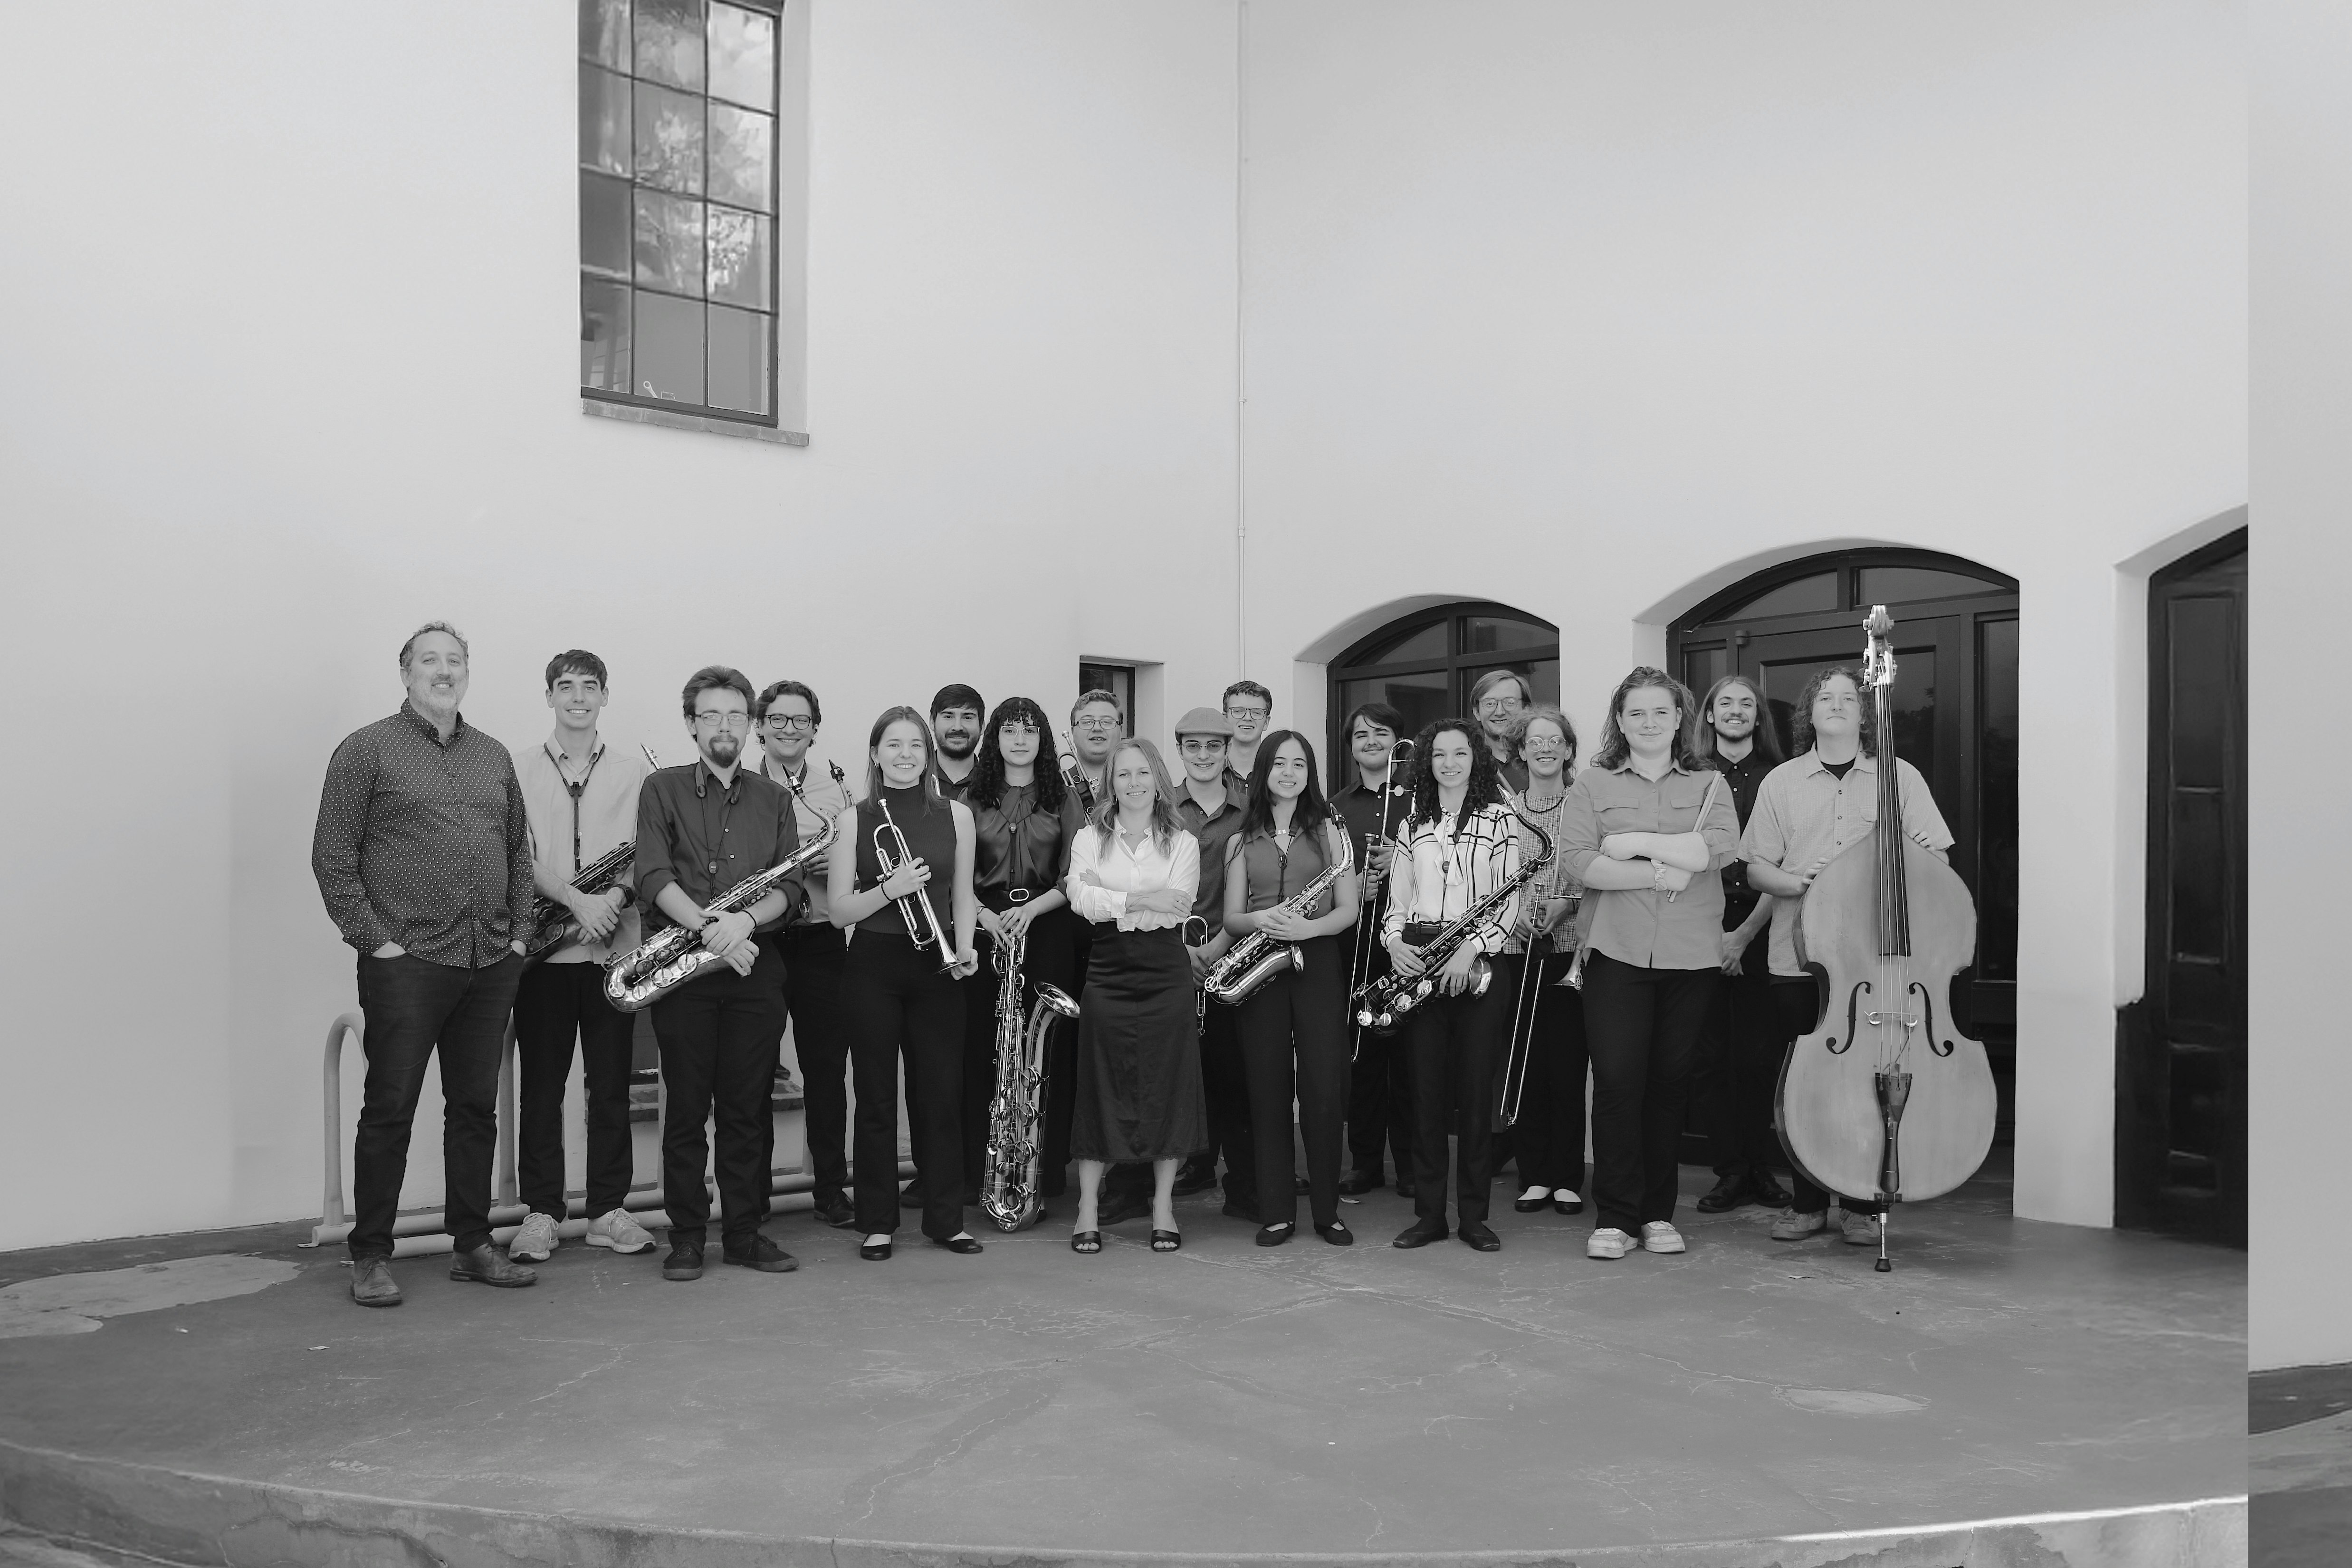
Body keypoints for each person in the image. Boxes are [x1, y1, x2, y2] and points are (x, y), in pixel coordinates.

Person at [312, 621, 537, 1307]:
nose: (444, 671)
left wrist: (522, 934)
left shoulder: (493, 756)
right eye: (430, 661)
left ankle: (472, 1245)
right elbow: (333, 857)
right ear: (405, 672)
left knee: (474, 1109)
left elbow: (518, 854)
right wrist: (376, 941)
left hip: (489, 958)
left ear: (467, 672)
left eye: (455, 661)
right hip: (406, 962)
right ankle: (371, 1255)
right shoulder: (366, 750)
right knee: (390, 1108)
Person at [1743, 666, 1953, 1249]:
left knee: (1869, 1081)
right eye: (1824, 698)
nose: (1836, 705)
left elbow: (1938, 861)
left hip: (1882, 967)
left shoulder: (1899, 778)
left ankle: (1863, 1204)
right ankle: (1807, 1203)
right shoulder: (1781, 783)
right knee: (1804, 1085)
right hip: (1800, 958)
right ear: (1807, 715)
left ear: (1866, 715)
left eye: (1848, 698)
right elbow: (1755, 865)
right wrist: (1791, 882)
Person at [1555, 668, 1741, 1262]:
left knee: (1667, 1086)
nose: (1650, 723)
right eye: (1637, 713)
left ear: (1679, 719)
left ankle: (1657, 1213)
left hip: (1691, 957)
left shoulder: (1711, 783)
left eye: (1661, 712)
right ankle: (1615, 1214)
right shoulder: (1592, 783)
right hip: (1616, 951)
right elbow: (1583, 862)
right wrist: (1667, 868)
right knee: (1616, 1083)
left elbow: (1717, 851)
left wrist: (1632, 842)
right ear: (1620, 721)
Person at [634, 666, 808, 1282]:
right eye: (712, 716)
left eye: (736, 716)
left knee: (746, 1110)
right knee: (685, 1109)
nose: (725, 726)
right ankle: (685, 1237)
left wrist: (746, 925)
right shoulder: (661, 789)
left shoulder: (775, 799)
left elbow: (790, 888)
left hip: (753, 968)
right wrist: (715, 932)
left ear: (751, 726)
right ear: (691, 725)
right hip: (683, 969)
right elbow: (652, 876)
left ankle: (743, 1233)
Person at [509, 650, 657, 1265]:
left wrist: (613, 900)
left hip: (612, 956)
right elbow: (515, 853)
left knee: (610, 1092)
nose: (577, 697)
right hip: (543, 959)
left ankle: (607, 1210)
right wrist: (574, 898)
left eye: (588, 686)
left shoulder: (634, 773)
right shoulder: (515, 769)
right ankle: (541, 1212)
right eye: (564, 686)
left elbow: (646, 848)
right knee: (541, 1091)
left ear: (604, 696)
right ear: (548, 696)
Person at [828, 707, 983, 1260]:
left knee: (941, 1094)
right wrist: (889, 890)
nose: (905, 755)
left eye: (915, 745)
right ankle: (877, 1221)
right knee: (874, 1097)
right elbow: (839, 911)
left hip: (936, 962)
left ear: (929, 752)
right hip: (873, 963)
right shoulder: (853, 820)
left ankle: (946, 1220)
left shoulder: (957, 816)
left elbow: (962, 895)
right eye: (893, 745)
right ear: (875, 754)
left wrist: (965, 948)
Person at [1382, 719, 1523, 1252]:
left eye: (1459, 753)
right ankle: (1429, 1216)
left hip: (1478, 961)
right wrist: (1395, 944)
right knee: (1426, 1095)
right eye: (1438, 755)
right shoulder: (1411, 824)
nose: (1448, 763)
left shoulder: (1502, 817)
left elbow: (1510, 898)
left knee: (1473, 1093)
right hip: (1420, 959)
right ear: (1427, 763)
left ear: (1475, 759)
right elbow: (1396, 905)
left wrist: (1472, 949)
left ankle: (1474, 1218)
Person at [1064, 738, 1208, 1253]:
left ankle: (1163, 1205)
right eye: (1122, 775)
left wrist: (1115, 900)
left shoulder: (1183, 842)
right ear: (1110, 782)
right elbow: (1081, 902)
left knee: (1167, 1083)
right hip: (1107, 968)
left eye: (1142, 773)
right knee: (1101, 1079)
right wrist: (1143, 898)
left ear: (1158, 780)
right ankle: (1087, 1207)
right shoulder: (1088, 837)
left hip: (1165, 969)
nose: (1133, 783)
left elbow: (1179, 907)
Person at [1221, 731, 1361, 1245]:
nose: (1289, 772)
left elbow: (1348, 910)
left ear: (1310, 773)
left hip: (1318, 958)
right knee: (1268, 1088)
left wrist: (1308, 928)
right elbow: (1232, 918)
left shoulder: (1330, 831)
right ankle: (1276, 1209)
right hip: (1261, 960)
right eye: (1279, 763)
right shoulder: (1241, 839)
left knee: (1324, 1088)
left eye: (1299, 764)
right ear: (1264, 770)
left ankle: (1328, 1211)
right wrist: (1263, 918)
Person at [960, 697, 1084, 1211]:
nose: (1019, 739)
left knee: (1043, 1052)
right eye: (1009, 729)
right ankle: (979, 1175)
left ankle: (1042, 1175)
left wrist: (1031, 910)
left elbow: (1079, 875)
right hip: (985, 927)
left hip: (1049, 924)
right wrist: (986, 919)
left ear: (1043, 739)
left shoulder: (1062, 794)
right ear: (995, 738)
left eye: (1030, 730)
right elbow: (952, 876)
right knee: (981, 1049)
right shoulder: (971, 797)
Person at [750, 678, 859, 1230]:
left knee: (824, 1071)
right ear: (760, 726)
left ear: (814, 730)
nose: (789, 729)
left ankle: (831, 1191)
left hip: (819, 941)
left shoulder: (836, 790)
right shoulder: (741, 788)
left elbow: (860, 865)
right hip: (763, 941)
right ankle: (755, 1196)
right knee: (756, 1073)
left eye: (800, 721)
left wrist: (836, 865)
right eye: (778, 719)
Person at [1689, 674, 1793, 1216]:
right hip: (1699, 924)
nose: (1734, 711)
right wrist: (1716, 935)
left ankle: (1760, 1168)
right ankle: (1729, 1171)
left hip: (1763, 926)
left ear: (1758, 717)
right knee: (1708, 1060)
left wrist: (1744, 935)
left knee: (1759, 1059)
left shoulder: (1780, 778)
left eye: (1745, 704)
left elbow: (1784, 863)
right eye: (1724, 703)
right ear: (1708, 715)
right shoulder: (1691, 778)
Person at [1498, 705, 1590, 1220]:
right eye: (1535, 741)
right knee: (1526, 1064)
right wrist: (1516, 919)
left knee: (1568, 1065)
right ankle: (1534, 1174)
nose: (1545, 748)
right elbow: (1493, 881)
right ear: (1522, 751)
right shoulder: (1506, 812)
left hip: (1572, 950)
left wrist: (1568, 906)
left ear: (1569, 749)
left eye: (1554, 740)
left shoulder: (1585, 806)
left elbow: (1597, 874)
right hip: (1517, 947)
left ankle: (1567, 1176)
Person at [1170, 706, 1256, 1221]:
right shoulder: (1158, 806)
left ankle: (1242, 1187)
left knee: (1231, 1073)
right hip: (1167, 953)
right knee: (1172, 1072)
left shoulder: (1251, 810)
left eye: (1213, 747)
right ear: (1180, 750)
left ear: (1227, 753)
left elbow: (1262, 882)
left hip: (1232, 954)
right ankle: (1182, 1167)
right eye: (1193, 746)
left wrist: (1221, 942)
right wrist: (1179, 950)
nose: (1203, 756)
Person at [1332, 702, 1414, 1197]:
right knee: (1361, 1057)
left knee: (1408, 1059)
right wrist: (1354, 887)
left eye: (1380, 733)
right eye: (1360, 735)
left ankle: (1409, 1164)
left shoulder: (1420, 799)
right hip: (1355, 943)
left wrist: (1399, 857)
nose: (1370, 741)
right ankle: (1365, 1162)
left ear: (1397, 743)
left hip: (1407, 944)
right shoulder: (1335, 805)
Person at [1468, 669, 1535, 795]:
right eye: (1490, 703)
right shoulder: (1464, 762)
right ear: (1477, 712)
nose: (1499, 712)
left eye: (1510, 702)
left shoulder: (1542, 756)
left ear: (1526, 709)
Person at [1061, 689, 1122, 815]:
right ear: (1073, 731)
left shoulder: (1139, 787)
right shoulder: (1056, 787)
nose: (1097, 728)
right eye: (1087, 722)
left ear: (1120, 730)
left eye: (1107, 722)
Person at [929, 684, 985, 801]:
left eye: (968, 718)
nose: (958, 727)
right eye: (948, 717)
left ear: (982, 726)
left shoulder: (996, 784)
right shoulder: (915, 779)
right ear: (932, 722)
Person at [1222, 680, 1273, 780]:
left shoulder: (1278, 774)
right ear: (1225, 719)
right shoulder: (1210, 771)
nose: (1247, 718)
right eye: (1238, 711)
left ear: (1266, 722)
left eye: (1257, 712)